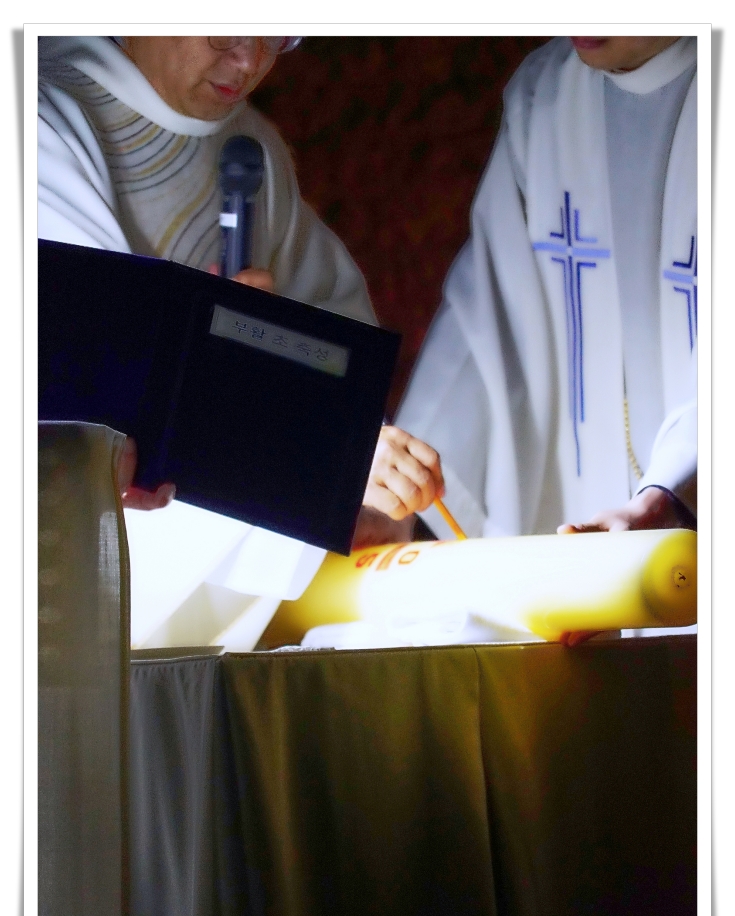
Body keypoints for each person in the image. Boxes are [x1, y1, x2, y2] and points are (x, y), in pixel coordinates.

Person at [38, 35, 445, 525]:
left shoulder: (251, 149)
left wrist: (342, 435)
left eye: (276, 34)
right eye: (225, 27)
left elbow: (332, 335)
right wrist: (319, 452)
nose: (250, 60)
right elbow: (95, 394)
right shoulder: (41, 125)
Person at [395, 36, 697, 541]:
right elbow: (489, 317)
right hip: (576, 522)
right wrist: (408, 497)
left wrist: (674, 494)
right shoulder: (547, 93)